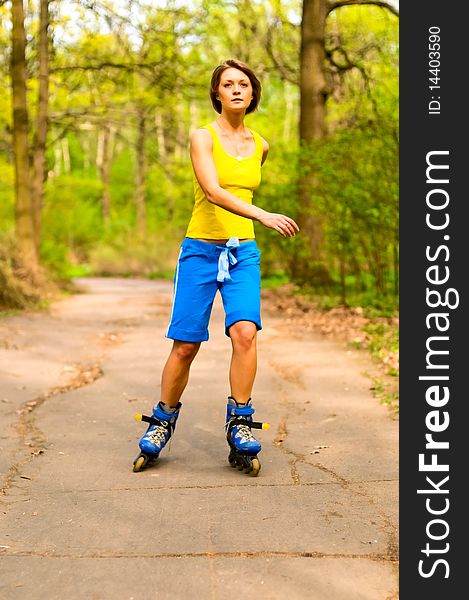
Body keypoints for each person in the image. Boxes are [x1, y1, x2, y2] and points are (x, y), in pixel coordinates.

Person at [133, 58, 299, 476]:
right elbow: (213, 191)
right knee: (187, 344)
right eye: (228, 85)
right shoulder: (201, 138)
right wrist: (262, 214)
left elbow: (240, 189)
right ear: (217, 94)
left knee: (245, 332)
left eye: (244, 84)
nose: (237, 90)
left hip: (243, 252)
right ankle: (162, 419)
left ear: (253, 93)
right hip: (201, 251)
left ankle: (240, 422)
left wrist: (252, 224)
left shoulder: (260, 145)